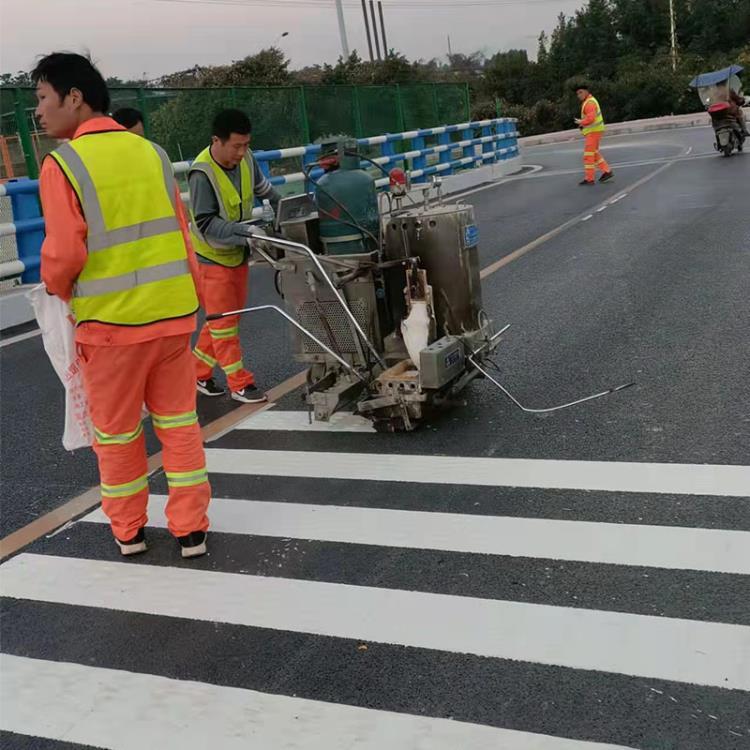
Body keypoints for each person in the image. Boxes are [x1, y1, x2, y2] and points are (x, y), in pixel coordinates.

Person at [33, 52, 211, 559]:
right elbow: (181, 231)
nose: (39, 113)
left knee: (117, 435)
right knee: (179, 426)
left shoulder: (62, 163)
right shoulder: (151, 152)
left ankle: (130, 529)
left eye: (43, 99)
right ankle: (191, 528)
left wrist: (59, 289)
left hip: (111, 328)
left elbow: (65, 253)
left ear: (74, 97)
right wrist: (191, 298)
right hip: (175, 317)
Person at [188, 108, 280, 403]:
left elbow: (265, 190)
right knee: (224, 324)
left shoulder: (247, 159)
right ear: (217, 140)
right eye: (236, 146)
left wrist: (288, 208)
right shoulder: (202, 173)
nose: (242, 152)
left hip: (237, 253)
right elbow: (205, 223)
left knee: (224, 321)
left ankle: (197, 373)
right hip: (211, 258)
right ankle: (239, 383)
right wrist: (246, 231)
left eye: (246, 145)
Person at [573, 84, 614, 186]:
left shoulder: (589, 103)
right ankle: (607, 171)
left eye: (580, 92)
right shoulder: (589, 101)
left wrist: (580, 122)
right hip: (594, 131)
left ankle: (589, 179)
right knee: (594, 153)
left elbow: (591, 119)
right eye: (577, 93)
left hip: (593, 132)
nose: (579, 95)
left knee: (588, 155)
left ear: (586, 92)